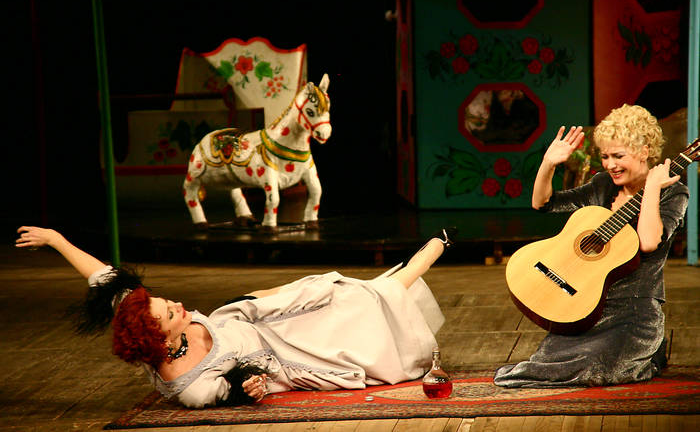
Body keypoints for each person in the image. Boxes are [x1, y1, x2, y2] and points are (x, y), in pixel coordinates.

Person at [15, 225, 455, 408]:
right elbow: (239, 392)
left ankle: (426, 254)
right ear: (161, 339)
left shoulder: (140, 313)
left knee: (344, 292)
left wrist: (55, 240)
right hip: (287, 355)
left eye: (165, 300)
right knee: (365, 308)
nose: (176, 304)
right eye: (170, 312)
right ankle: (434, 248)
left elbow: (103, 277)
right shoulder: (190, 386)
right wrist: (253, 387)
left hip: (258, 314)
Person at [494, 104, 689, 387]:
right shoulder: (603, 185)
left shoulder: (673, 192)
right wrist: (548, 164)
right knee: (545, 365)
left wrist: (652, 189)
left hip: (634, 313)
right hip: (585, 305)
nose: (610, 165)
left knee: (596, 367)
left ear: (644, 151)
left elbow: (648, 243)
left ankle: (650, 353)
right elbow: (543, 203)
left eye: (618, 156)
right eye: (605, 156)